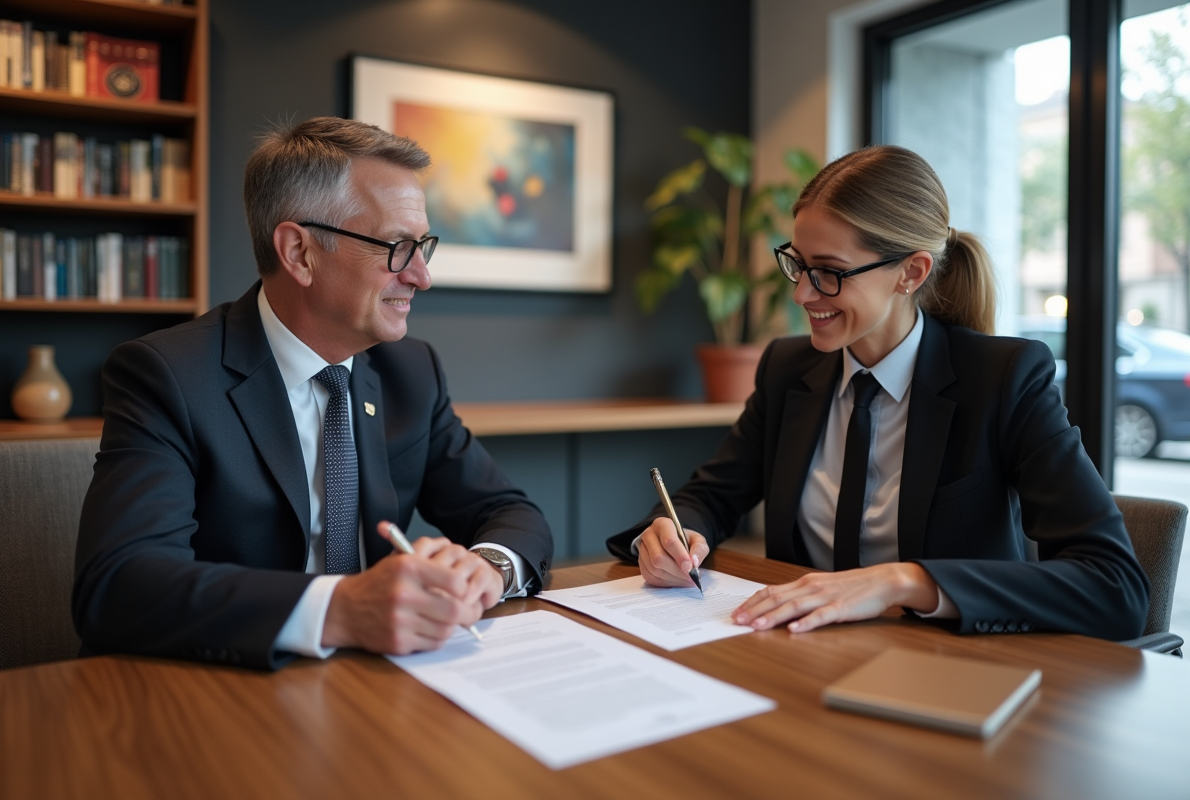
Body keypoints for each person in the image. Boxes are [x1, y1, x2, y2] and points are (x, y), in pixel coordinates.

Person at [607, 144, 1148, 641]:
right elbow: (712, 496)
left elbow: (1113, 585)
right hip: (798, 658)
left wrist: (901, 581)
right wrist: (670, 535)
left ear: (910, 273)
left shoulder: (1003, 378)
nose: (801, 293)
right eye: (798, 263)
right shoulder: (787, 368)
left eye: (830, 273)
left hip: (947, 673)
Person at [74, 117, 553, 670]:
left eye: (423, 246)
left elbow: (509, 512)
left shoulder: (410, 371)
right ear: (299, 252)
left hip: (376, 682)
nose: (422, 276)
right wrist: (339, 609)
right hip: (213, 687)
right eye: (397, 247)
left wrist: (488, 566)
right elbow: (117, 585)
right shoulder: (167, 375)